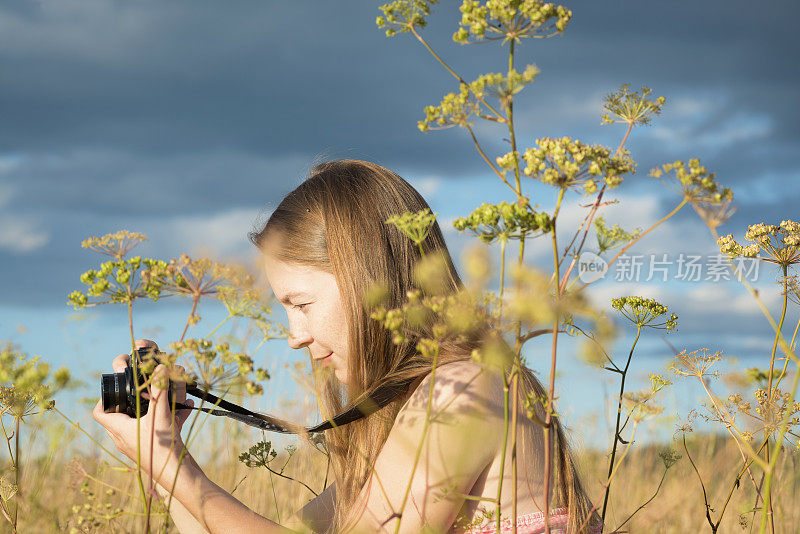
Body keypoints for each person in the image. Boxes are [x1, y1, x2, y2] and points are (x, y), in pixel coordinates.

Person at [93, 159, 602, 533]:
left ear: (365, 279)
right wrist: (161, 454)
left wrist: (170, 466)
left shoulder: (460, 391)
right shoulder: (412, 406)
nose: (295, 336)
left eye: (301, 303)